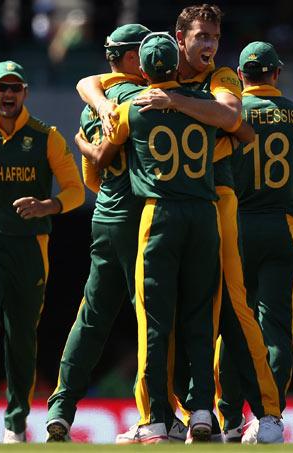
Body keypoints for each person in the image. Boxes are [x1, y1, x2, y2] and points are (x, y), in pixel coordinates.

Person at [77, 5, 284, 444]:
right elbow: (87, 83)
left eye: (214, 36)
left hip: (218, 201)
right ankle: (173, 414)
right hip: (182, 208)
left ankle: (267, 414)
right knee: (169, 314)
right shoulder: (152, 79)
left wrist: (173, 102)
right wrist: (103, 106)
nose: (209, 46)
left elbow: (232, 117)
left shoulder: (221, 78)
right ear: (179, 38)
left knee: (232, 305)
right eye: (201, 37)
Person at [78, 32, 221, 444]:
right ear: (177, 65)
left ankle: (156, 418)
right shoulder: (203, 103)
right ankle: (202, 414)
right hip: (204, 215)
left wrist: (81, 145)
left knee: (155, 322)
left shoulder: (133, 109)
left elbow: (104, 157)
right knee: (198, 320)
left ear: (142, 71)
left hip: (158, 216)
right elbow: (240, 129)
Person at [0, 60, 84, 444]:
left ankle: (16, 422)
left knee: (21, 334)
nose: (8, 95)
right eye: (1, 88)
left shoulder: (46, 137)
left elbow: (75, 189)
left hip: (29, 247)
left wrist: (47, 206)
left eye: (15, 88)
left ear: (25, 93)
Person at [44, 23, 165, 443]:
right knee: (153, 318)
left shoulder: (89, 107)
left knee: (92, 318)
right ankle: (160, 414)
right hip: (140, 220)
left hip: (105, 217)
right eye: (146, 52)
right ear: (132, 59)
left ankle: (60, 408)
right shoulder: (144, 100)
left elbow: (92, 178)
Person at [215, 41, 293, 443]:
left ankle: (226, 417)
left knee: (231, 321)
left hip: (237, 223)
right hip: (283, 227)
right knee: (276, 326)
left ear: (241, 76)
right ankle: (269, 417)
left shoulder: (230, 111)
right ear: (276, 74)